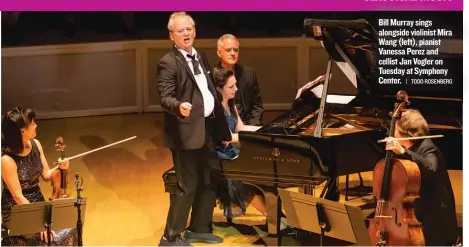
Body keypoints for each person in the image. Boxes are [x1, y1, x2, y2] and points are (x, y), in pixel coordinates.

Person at [156, 12, 232, 246]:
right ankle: (170, 237)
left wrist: (222, 129)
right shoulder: (167, 63)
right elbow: (165, 98)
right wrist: (179, 107)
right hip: (185, 133)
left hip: (207, 129)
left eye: (190, 28)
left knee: (209, 179)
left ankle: (198, 228)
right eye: (181, 30)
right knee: (186, 186)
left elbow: (208, 90)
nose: (187, 33)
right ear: (172, 36)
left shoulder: (200, 56)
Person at [1, 107, 77, 246]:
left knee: (71, 226)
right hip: (17, 211)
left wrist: (61, 167)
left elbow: (47, 175)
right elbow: (18, 196)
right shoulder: (7, 160)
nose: (36, 125)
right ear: (22, 130)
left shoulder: (36, 144)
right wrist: (39, 223)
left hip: (38, 202)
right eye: (32, 124)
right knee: (50, 238)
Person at [384, 109, 459, 246]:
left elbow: (431, 168)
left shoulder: (428, 148)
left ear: (406, 133)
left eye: (394, 129)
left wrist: (403, 151)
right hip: (419, 211)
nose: (391, 133)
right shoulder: (408, 148)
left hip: (434, 217)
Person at [212, 67, 267, 221]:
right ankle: (273, 216)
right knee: (244, 178)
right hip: (220, 156)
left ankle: (276, 215)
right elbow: (228, 137)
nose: (236, 89)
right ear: (219, 88)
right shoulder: (215, 109)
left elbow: (241, 128)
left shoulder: (231, 103)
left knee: (260, 169)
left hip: (231, 150)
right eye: (231, 87)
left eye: (236, 85)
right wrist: (253, 138)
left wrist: (263, 130)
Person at [215, 34, 264, 126]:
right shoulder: (212, 76)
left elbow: (257, 106)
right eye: (228, 50)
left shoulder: (249, 74)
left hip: (248, 127)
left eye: (236, 50)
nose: (233, 53)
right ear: (219, 53)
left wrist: (251, 128)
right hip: (224, 129)